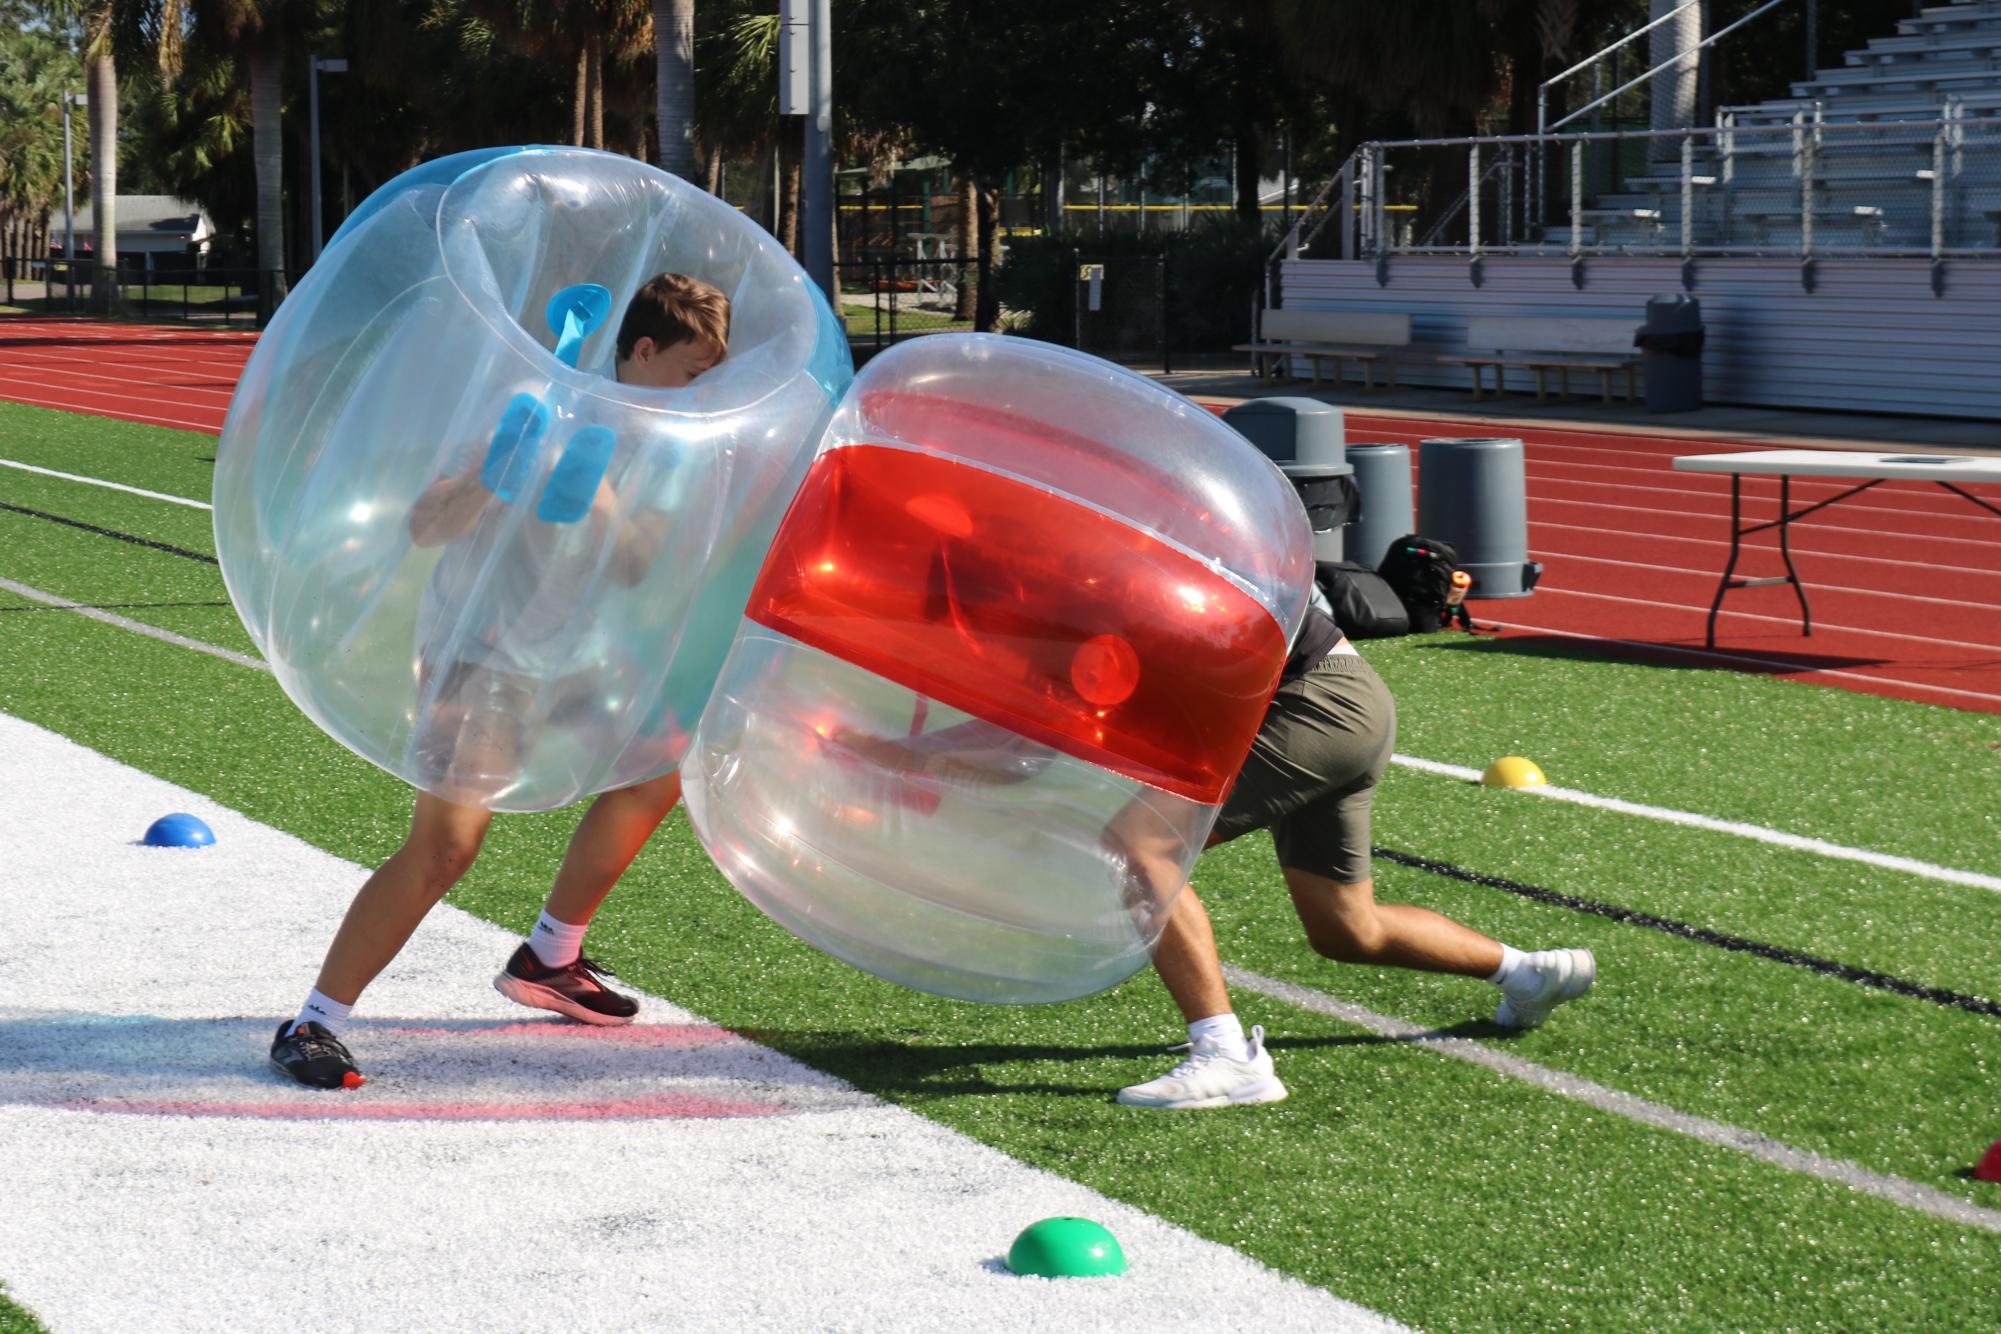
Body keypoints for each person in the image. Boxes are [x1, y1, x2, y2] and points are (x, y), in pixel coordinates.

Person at [270, 273, 731, 1090]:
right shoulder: (532, 400)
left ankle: (549, 955)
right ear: (645, 349)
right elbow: (425, 524)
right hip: (479, 654)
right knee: (446, 847)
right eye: (695, 372)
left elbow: (633, 567)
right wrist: (499, 475)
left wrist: (601, 503)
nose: (705, 391)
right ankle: (314, 1022)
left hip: (573, 658)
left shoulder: (667, 447)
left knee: (660, 762)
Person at [1112, 602, 1595, 1109]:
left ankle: (1228, 1055)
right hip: (1336, 697)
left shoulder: (1104, 550)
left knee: (1142, 845)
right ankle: (1529, 974)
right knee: (1346, 929)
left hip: (1309, 700)